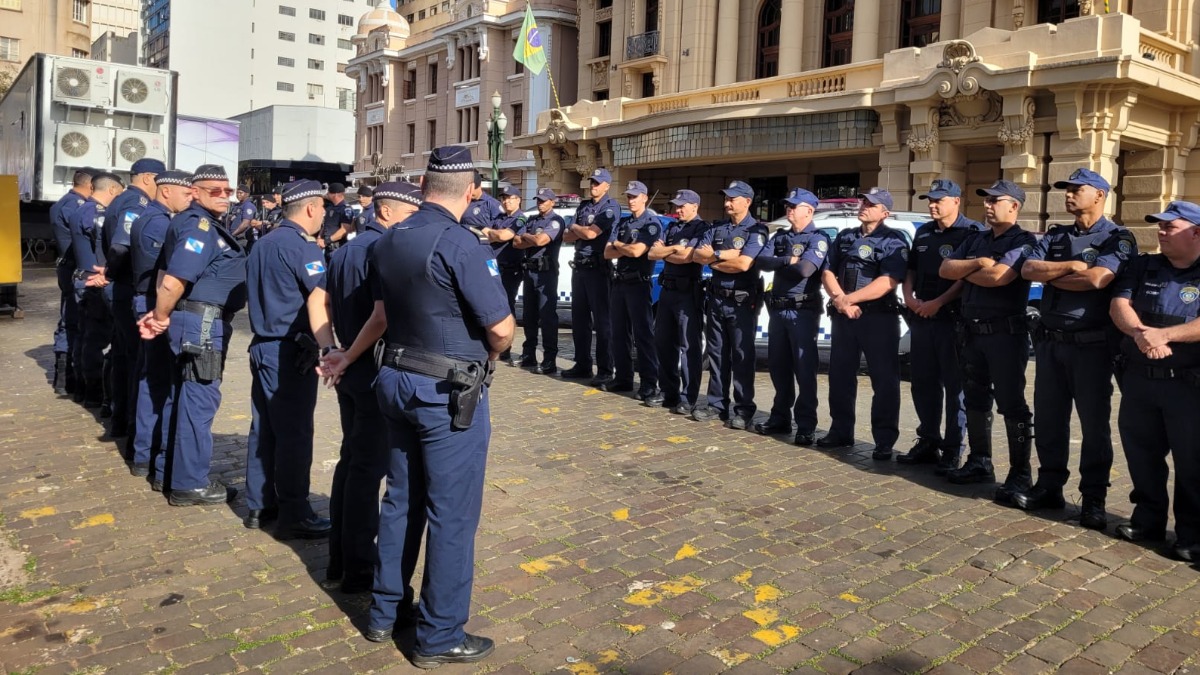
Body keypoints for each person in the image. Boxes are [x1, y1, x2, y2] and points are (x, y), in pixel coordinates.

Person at [362, 146, 513, 668]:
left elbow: (382, 311)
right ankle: (440, 633)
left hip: (397, 378)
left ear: (424, 185)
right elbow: (501, 329)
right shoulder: (461, 244)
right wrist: (490, 354)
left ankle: (385, 612)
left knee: (401, 497)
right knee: (451, 513)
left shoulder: (389, 239)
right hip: (446, 393)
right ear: (471, 192)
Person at [1016, 168, 1136, 529]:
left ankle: (1094, 498)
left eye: (1076, 189)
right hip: (1051, 343)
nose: (1068, 195)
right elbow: (1027, 270)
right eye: (1066, 190)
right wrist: (1070, 265)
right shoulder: (1057, 235)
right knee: (1050, 420)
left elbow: (1098, 279)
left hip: (1092, 347)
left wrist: (1056, 274)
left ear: (1099, 195)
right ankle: (1049, 486)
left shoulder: (1117, 237)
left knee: (1093, 425)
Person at [324, 181, 422, 592]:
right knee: (367, 471)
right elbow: (381, 318)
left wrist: (332, 347)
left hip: (351, 366)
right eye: (410, 213)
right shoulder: (382, 249)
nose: (414, 221)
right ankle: (358, 568)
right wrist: (346, 355)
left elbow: (324, 302)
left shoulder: (346, 248)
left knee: (352, 464)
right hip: (369, 368)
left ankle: (340, 556)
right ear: (386, 213)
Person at [137, 164, 245, 507]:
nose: (225, 197)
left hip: (194, 321)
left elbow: (164, 272)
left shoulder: (196, 224)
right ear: (194, 192)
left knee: (180, 396)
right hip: (201, 324)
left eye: (228, 191)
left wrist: (162, 314)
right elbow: (172, 280)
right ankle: (189, 483)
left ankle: (167, 471)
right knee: (199, 402)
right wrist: (160, 316)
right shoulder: (198, 227)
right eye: (216, 190)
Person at [243, 179, 338, 538]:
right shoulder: (303, 248)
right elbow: (320, 298)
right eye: (323, 208)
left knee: (263, 429)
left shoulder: (264, 242)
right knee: (294, 434)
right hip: (289, 349)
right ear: (311, 208)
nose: (325, 214)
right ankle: (295, 512)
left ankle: (259, 504)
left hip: (262, 344)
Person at [1111, 201, 1200, 560]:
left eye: (1169, 227)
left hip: (1188, 387)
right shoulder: (1143, 264)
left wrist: (1166, 336)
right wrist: (1140, 334)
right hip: (1141, 381)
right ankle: (1147, 519)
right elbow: (1119, 304)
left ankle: (1191, 535)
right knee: (1141, 453)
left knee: (1193, 462)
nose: (1160, 232)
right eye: (1159, 226)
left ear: (1196, 232)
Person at [939, 180, 1037, 504]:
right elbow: (945, 268)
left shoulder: (1024, 241)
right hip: (971, 333)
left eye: (997, 200)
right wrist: (979, 264)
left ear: (1015, 207)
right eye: (987, 199)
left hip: (1005, 335)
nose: (989, 205)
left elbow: (1000, 277)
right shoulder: (976, 238)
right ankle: (980, 461)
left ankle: (1020, 473)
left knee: (1012, 404)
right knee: (975, 400)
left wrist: (967, 270)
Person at [897, 179, 985, 471]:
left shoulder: (971, 232)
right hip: (921, 317)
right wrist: (908, 297)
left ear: (956, 201)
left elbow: (966, 278)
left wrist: (939, 302)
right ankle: (928, 440)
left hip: (952, 320)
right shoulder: (923, 231)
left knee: (954, 386)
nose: (932, 205)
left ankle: (953, 447)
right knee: (922, 383)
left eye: (938, 200)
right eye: (930, 200)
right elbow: (911, 269)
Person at [818, 188, 908, 459]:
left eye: (872, 204)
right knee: (840, 376)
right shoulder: (846, 236)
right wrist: (839, 299)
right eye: (864, 201)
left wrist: (848, 300)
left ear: (885, 212)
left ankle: (883, 439)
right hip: (845, 317)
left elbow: (888, 281)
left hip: (878, 318)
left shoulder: (894, 240)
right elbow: (828, 270)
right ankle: (841, 430)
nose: (865, 206)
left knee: (884, 380)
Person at [127, 170, 194, 482]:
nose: (190, 197)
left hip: (149, 301)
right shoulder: (159, 221)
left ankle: (144, 452)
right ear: (167, 191)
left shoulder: (150, 215)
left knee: (150, 377)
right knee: (156, 381)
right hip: (154, 304)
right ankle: (147, 453)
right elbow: (163, 274)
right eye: (186, 193)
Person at [754, 188, 830, 446]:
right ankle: (780, 418)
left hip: (802, 312)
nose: (789, 209)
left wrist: (782, 262)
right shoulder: (782, 236)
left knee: (804, 370)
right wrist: (788, 259)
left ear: (808, 210)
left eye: (794, 206)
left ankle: (806, 425)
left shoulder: (817, 238)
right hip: (777, 310)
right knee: (778, 367)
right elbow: (760, 261)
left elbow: (806, 269)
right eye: (788, 205)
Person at [690, 181, 768, 430]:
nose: (727, 203)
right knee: (716, 354)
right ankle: (716, 404)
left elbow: (744, 264)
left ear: (747, 201)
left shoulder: (757, 230)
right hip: (716, 299)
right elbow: (696, 255)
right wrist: (723, 257)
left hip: (741, 302)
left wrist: (714, 257)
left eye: (732, 199)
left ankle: (744, 409)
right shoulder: (718, 227)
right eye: (726, 198)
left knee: (742, 356)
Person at [103, 158, 165, 439]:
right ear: (148, 178)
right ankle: (129, 425)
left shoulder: (122, 199)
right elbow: (119, 246)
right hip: (127, 287)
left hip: (121, 288)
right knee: (133, 361)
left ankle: (118, 418)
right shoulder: (134, 204)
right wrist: (112, 273)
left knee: (121, 356)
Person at [649, 189, 708, 415]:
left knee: (688, 347)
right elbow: (652, 253)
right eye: (676, 205)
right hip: (668, 290)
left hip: (687, 293)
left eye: (682, 206)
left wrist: (667, 252)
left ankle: (688, 396)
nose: (678, 209)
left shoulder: (701, 228)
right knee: (663, 342)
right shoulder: (672, 227)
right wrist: (673, 249)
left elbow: (688, 257)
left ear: (695, 206)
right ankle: (668, 391)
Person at [70, 172, 125, 408]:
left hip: (84, 278)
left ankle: (83, 389)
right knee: (97, 338)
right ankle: (93, 392)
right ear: (112, 190)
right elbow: (106, 250)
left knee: (86, 336)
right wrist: (108, 272)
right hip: (95, 281)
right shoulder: (96, 213)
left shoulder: (81, 208)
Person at [562, 168, 620, 386]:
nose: (593, 186)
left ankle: (605, 369)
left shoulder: (610, 206)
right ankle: (583, 364)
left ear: (607, 186)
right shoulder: (584, 205)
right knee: (579, 320)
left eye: (597, 183)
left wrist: (576, 227)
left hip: (598, 269)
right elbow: (566, 236)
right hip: (580, 269)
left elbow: (590, 234)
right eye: (592, 182)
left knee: (603, 323)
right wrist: (579, 229)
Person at [604, 181, 661, 401]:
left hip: (638, 284)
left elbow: (638, 251)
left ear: (645, 198)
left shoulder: (651, 223)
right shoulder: (624, 222)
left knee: (643, 335)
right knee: (618, 333)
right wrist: (621, 247)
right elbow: (607, 253)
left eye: (635, 196)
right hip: (620, 283)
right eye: (629, 196)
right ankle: (624, 378)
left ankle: (649, 383)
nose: (631, 200)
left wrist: (619, 246)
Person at [49, 168, 97, 396]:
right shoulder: (75, 206)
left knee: (70, 319)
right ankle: (68, 379)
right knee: (72, 321)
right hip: (73, 268)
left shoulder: (64, 202)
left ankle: (64, 378)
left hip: (66, 267)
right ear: (90, 187)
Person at [513, 188, 564, 373]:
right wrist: (530, 238)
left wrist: (528, 237)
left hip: (546, 274)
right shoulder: (532, 219)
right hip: (530, 271)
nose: (540, 203)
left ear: (552, 202)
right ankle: (529, 355)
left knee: (547, 317)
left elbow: (541, 240)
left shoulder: (556, 221)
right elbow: (516, 242)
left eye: (543, 200)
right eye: (539, 200)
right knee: (529, 315)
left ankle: (549, 359)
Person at [481, 185, 527, 364]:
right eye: (504, 198)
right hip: (494, 267)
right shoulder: (499, 217)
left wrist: (492, 233)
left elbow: (502, 236)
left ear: (518, 200)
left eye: (510, 198)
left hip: (510, 268)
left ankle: (505, 347)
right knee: (492, 304)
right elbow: (487, 235)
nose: (507, 201)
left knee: (506, 306)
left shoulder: (521, 219)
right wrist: (493, 234)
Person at [320, 183, 355, 257]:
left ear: (335, 195)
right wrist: (319, 238)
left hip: (338, 248)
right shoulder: (330, 208)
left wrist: (326, 241)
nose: (327, 195)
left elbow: (345, 229)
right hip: (326, 247)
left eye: (329, 193)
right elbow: (325, 225)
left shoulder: (345, 209)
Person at [229, 185, 261, 252]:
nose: (238, 195)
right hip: (234, 238)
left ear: (247, 194)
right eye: (237, 193)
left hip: (242, 239)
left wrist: (232, 235)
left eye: (241, 193)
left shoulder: (248, 205)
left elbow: (245, 224)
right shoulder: (237, 205)